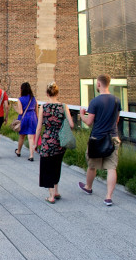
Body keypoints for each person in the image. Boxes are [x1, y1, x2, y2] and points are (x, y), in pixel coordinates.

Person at [78, 74, 121, 206]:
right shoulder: (116, 100)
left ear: (98, 84)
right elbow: (117, 119)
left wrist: (81, 115)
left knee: (92, 165)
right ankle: (108, 197)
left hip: (97, 138)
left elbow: (89, 122)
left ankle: (88, 187)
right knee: (111, 168)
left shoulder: (95, 102)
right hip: (113, 137)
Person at [34, 82, 74, 204]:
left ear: (47, 94)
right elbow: (71, 125)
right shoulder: (63, 106)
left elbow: (39, 127)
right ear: (57, 93)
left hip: (47, 140)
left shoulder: (44, 107)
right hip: (60, 141)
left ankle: (51, 196)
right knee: (57, 165)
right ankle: (56, 191)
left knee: (47, 167)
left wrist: (36, 142)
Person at [14, 82, 39, 161]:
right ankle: (31, 155)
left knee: (22, 136)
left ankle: (18, 151)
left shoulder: (20, 99)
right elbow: (36, 111)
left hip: (23, 118)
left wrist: (16, 109)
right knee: (31, 138)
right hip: (32, 117)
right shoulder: (33, 99)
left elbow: (21, 112)